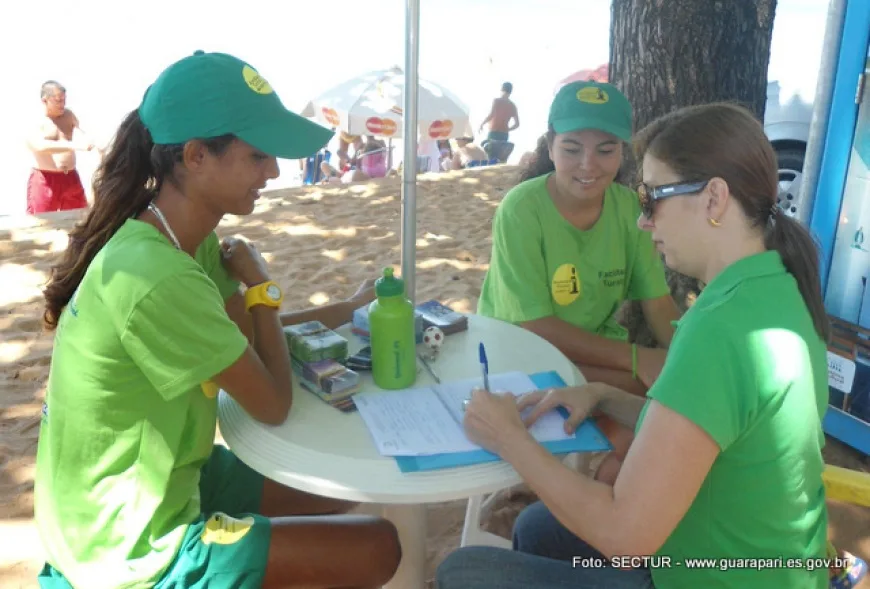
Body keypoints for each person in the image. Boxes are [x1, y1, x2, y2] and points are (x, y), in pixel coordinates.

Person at [34, 50, 401, 589]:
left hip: (160, 479)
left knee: (342, 488)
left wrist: (344, 309)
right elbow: (272, 401)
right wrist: (260, 287)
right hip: (125, 545)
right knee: (377, 546)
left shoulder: (177, 237)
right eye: (258, 156)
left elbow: (245, 341)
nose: (273, 172)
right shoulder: (159, 274)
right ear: (197, 156)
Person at [437, 102, 836, 588]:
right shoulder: (776, 282)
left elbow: (625, 538)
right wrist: (605, 397)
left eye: (652, 199)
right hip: (771, 563)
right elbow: (712, 429)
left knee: (462, 572)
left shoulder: (718, 330)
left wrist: (510, 439)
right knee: (538, 527)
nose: (644, 221)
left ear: (713, 199)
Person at [477, 81, 680, 401]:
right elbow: (535, 327)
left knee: (676, 381)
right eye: (572, 149)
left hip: (595, 353)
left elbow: (657, 302)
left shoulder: (629, 207)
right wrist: (638, 359)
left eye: (605, 150)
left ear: (621, 153)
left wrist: (688, 355)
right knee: (658, 388)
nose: (588, 164)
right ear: (550, 147)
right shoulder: (521, 209)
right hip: (519, 357)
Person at [26, 81, 102, 214]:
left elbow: (82, 134)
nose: (62, 104)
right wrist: (75, 146)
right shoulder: (35, 120)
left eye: (64, 100)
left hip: (70, 177)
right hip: (45, 178)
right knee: (41, 221)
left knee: (80, 218)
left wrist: (96, 145)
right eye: (58, 101)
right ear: (45, 100)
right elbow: (40, 146)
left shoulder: (68, 115)